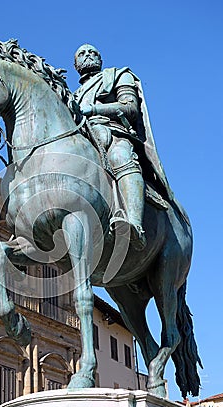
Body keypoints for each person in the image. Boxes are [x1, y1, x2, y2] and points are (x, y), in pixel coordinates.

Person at [74, 43, 169, 251]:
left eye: (93, 52)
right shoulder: (74, 95)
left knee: (121, 156)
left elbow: (130, 108)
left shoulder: (118, 75)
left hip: (113, 133)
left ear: (100, 59)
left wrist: (93, 109)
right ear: (76, 64)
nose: (88, 55)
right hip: (84, 137)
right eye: (82, 53)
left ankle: (135, 225)